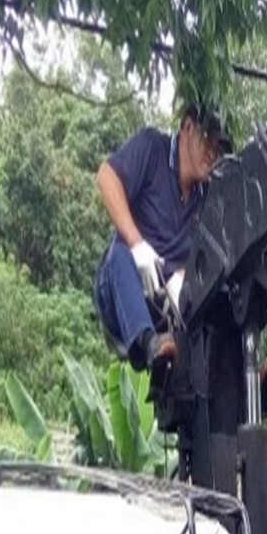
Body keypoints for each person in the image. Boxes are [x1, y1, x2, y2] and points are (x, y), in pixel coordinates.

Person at [95, 105, 230, 372]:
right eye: (208, 139)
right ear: (188, 127)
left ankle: (243, 377)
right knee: (119, 254)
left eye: (219, 146)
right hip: (122, 291)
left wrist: (183, 275)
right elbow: (106, 178)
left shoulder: (207, 196)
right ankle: (147, 343)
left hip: (166, 305)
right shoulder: (152, 148)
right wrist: (137, 244)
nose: (212, 152)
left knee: (220, 293)